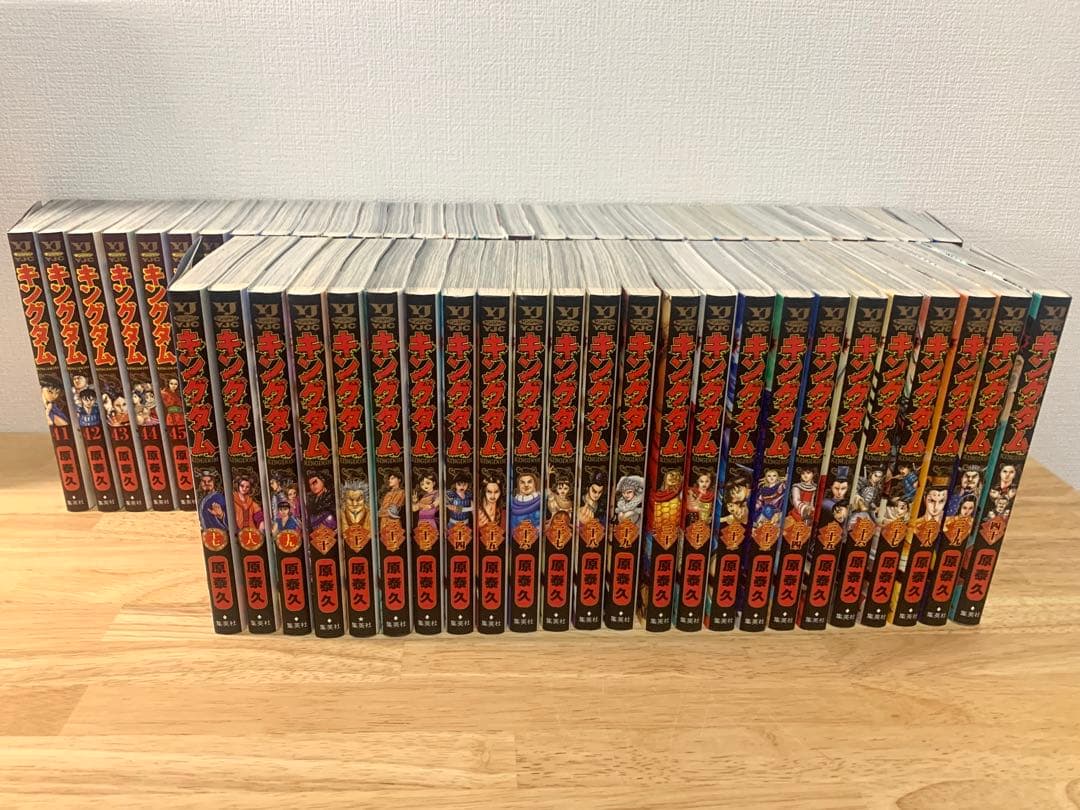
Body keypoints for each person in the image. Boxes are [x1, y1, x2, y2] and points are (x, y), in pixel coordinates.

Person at [339, 478, 371, 551]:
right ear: (344, 500)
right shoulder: (341, 514)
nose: (355, 504)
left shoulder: (369, 514)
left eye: (359, 499)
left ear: (365, 499)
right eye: (350, 500)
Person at [509, 470, 542, 535]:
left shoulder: (541, 500)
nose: (526, 485)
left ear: (535, 484)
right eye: (522, 482)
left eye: (529, 482)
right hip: (518, 536)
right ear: (518, 485)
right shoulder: (512, 502)